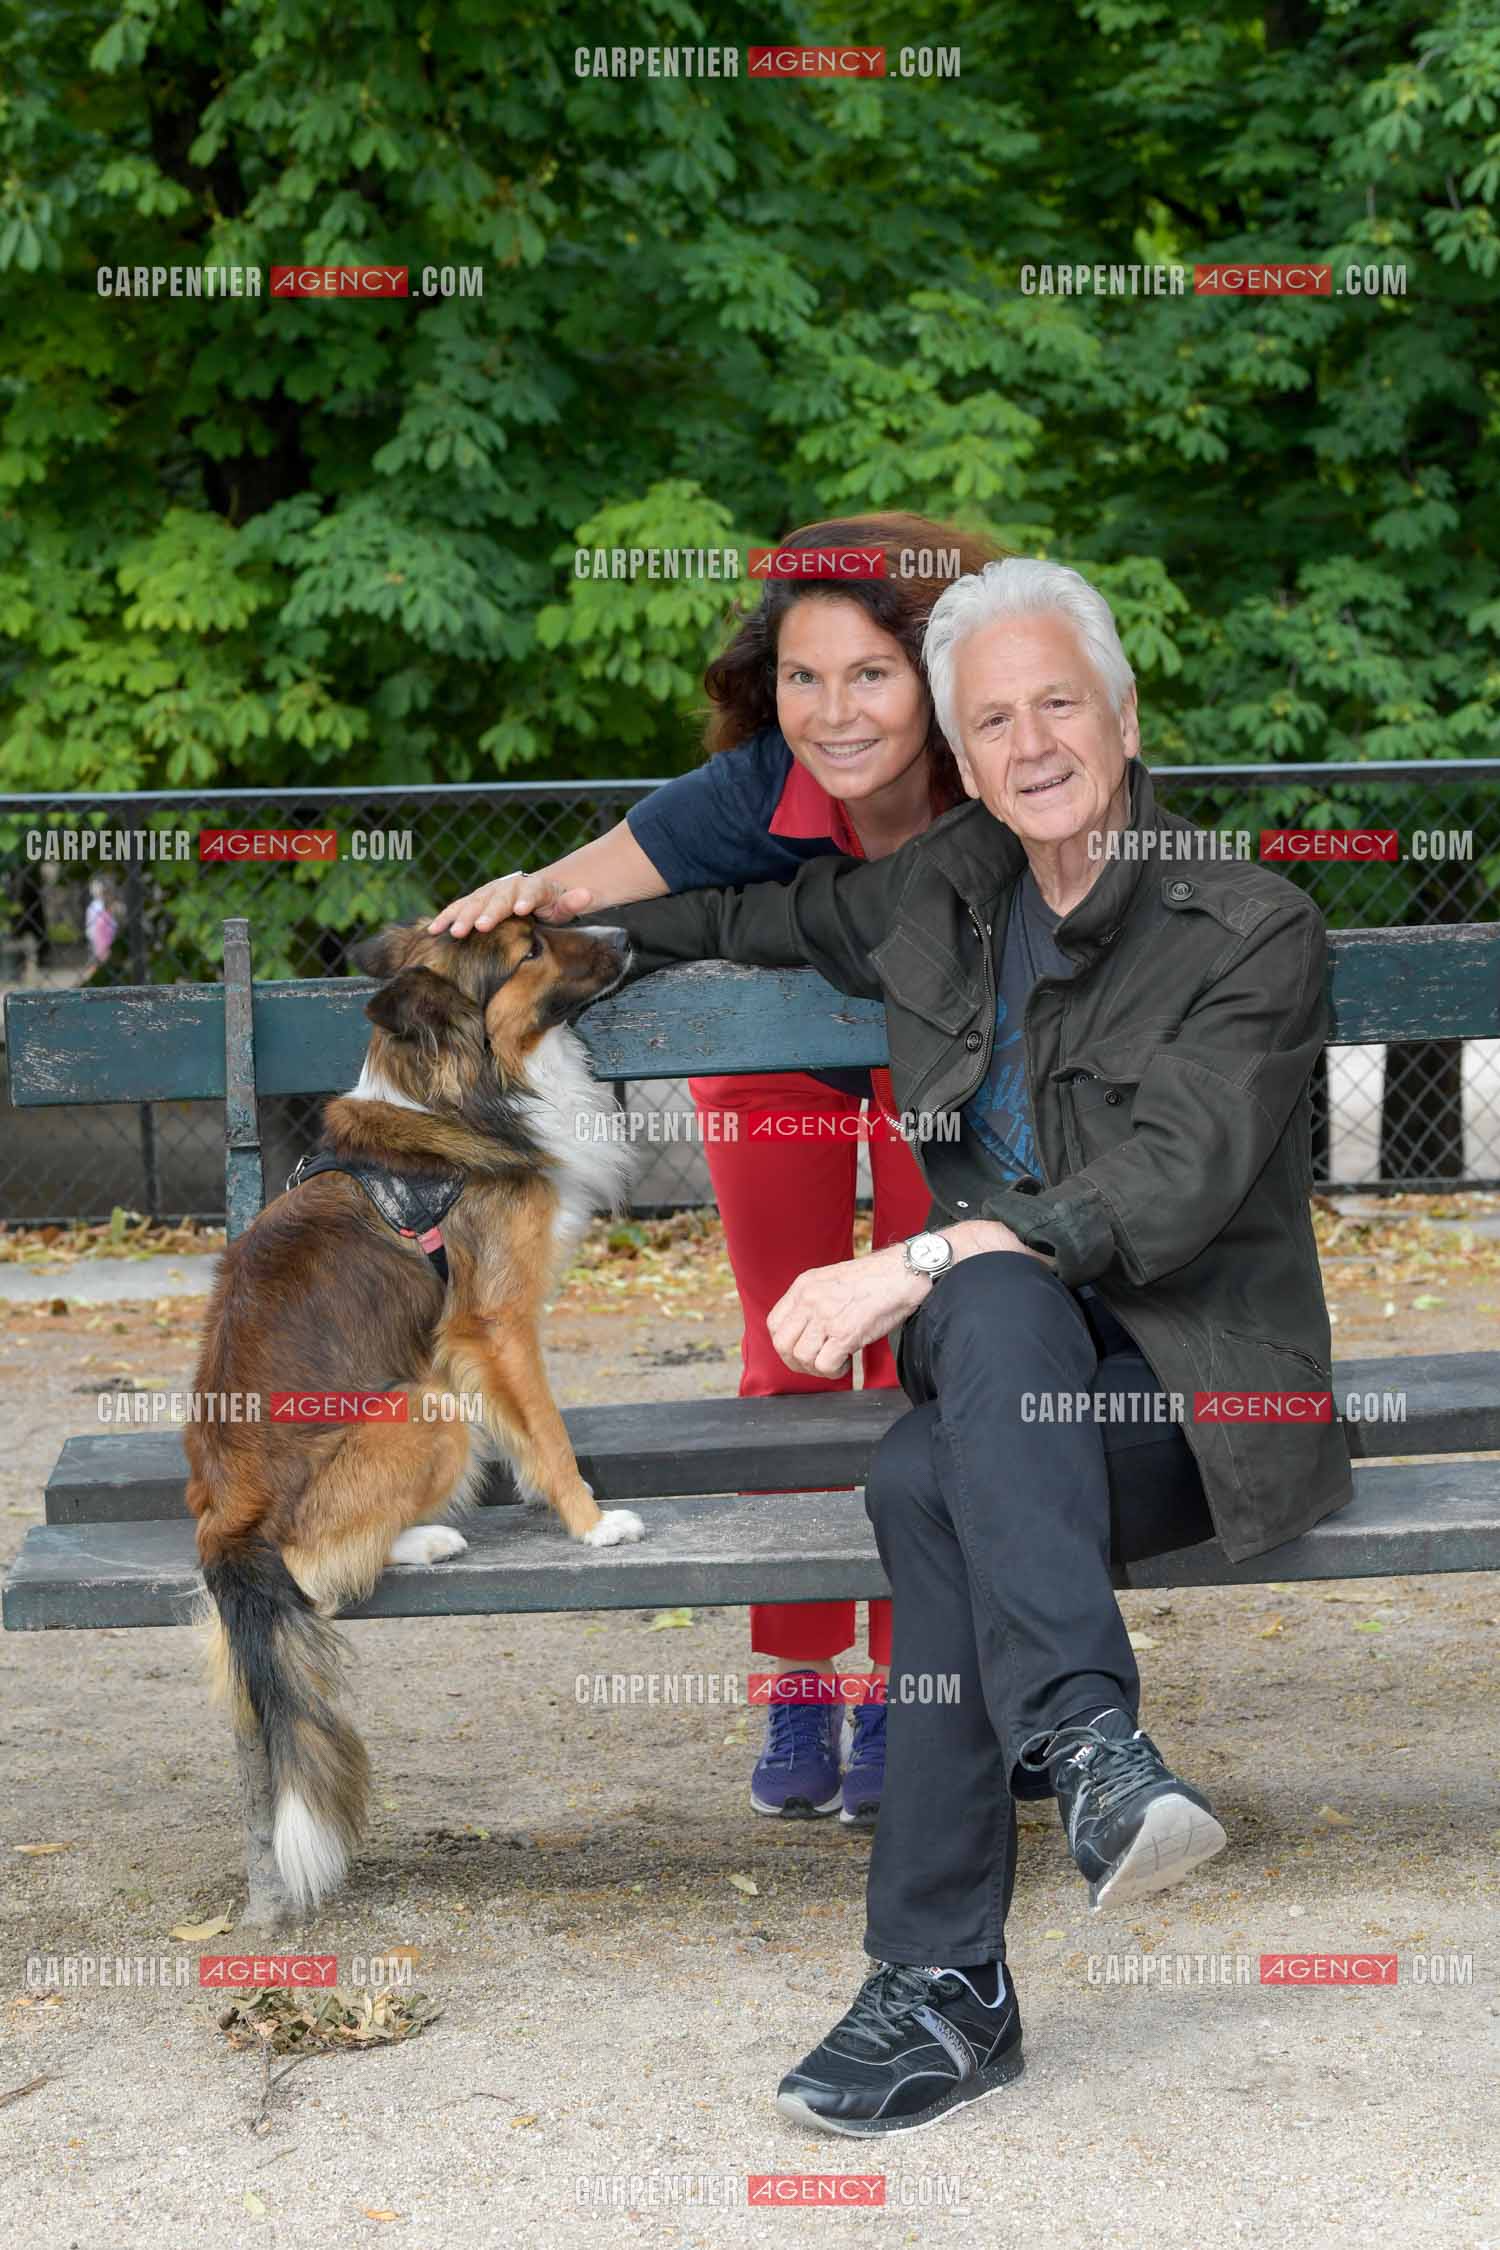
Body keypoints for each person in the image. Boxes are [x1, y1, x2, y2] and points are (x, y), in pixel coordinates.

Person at [588, 556, 1355, 2136]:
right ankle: (1089, 1748)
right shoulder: (942, 890)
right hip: (1018, 1385)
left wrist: (913, 1254)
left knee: (928, 1474)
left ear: (1124, 716)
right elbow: (747, 905)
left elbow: (1164, 1187)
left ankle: (947, 1984)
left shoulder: (1252, 926)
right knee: (991, 1319)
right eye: (990, 718)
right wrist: (555, 922)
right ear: (967, 745)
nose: (1028, 743)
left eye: (1056, 703)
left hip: (1195, 1407)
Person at [430, 513, 1004, 1826]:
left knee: (933, 1346)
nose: (833, 710)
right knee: (790, 1344)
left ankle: (904, 1691)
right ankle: (800, 1685)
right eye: (803, 676)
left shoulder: (994, 770)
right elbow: (580, 894)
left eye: (870, 675)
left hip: (950, 1078)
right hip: (779, 1073)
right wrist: (519, 895)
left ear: (935, 675)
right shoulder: (751, 787)